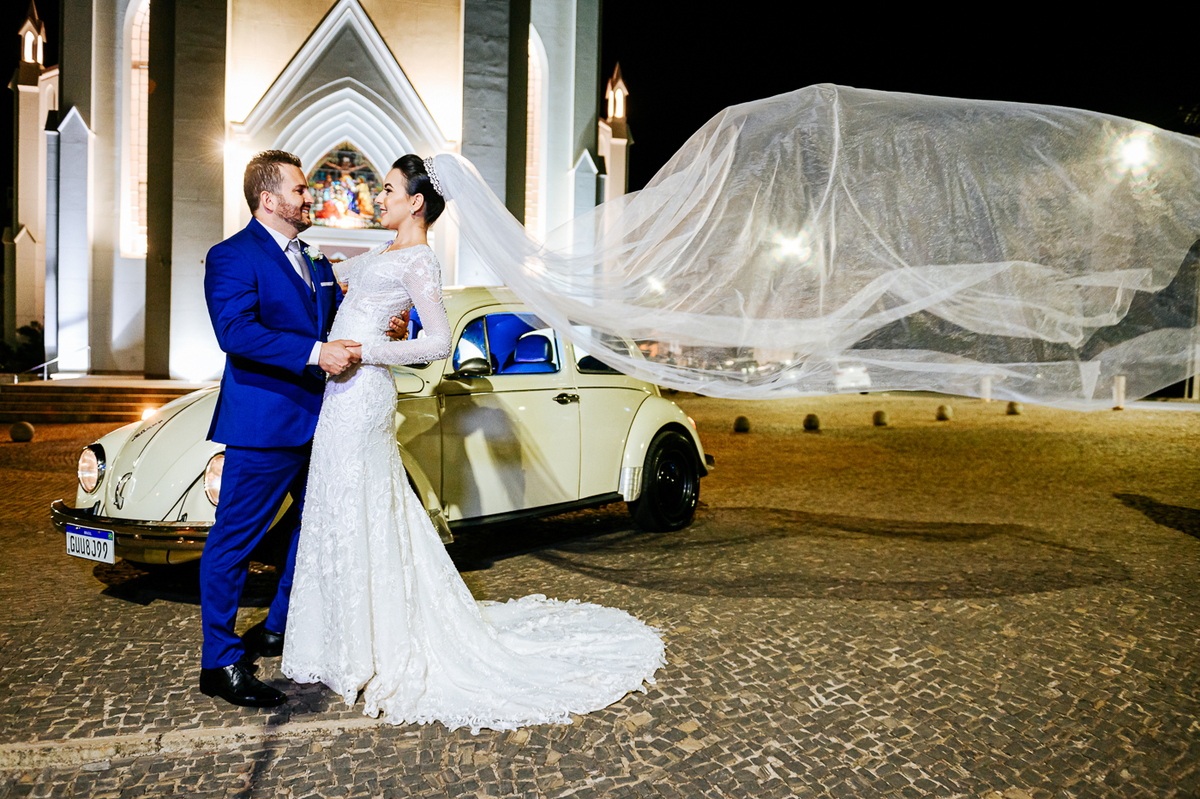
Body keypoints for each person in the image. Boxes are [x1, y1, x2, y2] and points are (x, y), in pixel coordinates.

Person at [281, 155, 665, 731]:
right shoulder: (382, 253)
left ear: (416, 202)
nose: (377, 197)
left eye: (387, 189)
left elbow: (436, 342)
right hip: (338, 397)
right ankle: (337, 637)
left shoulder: (419, 260)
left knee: (364, 507)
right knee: (338, 508)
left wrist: (367, 352)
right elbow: (338, 286)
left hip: (363, 393)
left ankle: (373, 642)